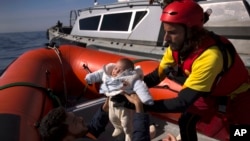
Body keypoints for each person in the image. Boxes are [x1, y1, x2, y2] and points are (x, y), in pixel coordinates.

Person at [114, 0, 250, 141]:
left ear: (192, 32)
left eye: (172, 32)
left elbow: (182, 102)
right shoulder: (176, 48)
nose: (166, 39)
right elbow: (155, 77)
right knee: (185, 121)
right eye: (165, 31)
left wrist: (136, 104)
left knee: (240, 133)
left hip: (238, 95)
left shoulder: (210, 56)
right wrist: (129, 89)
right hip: (210, 91)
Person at [85, 58, 154, 141]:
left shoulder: (130, 79)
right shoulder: (108, 74)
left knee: (126, 122)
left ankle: (128, 134)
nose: (115, 71)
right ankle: (118, 127)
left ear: (126, 72)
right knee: (112, 117)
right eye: (115, 68)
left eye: (119, 70)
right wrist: (90, 77)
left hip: (124, 107)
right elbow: (99, 74)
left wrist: (145, 99)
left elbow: (140, 87)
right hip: (111, 102)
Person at [39, 96, 151, 141]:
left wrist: (105, 109)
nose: (81, 118)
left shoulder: (78, 136)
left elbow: (91, 131)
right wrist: (138, 107)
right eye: (75, 121)